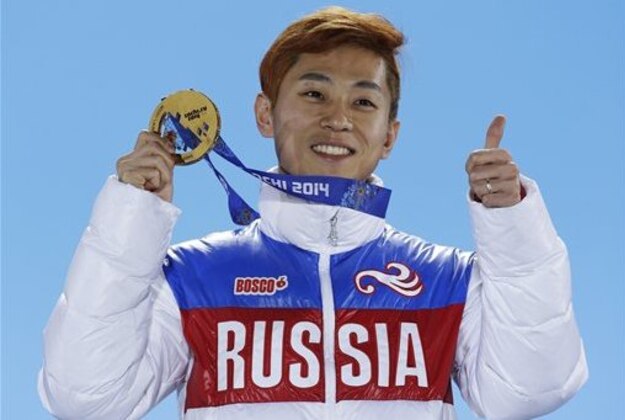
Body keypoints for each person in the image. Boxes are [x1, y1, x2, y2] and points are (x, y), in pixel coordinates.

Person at [38, 6, 587, 420]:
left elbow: (529, 388)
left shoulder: (446, 281)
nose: (339, 119)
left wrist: (512, 225)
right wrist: (131, 220)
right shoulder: (192, 280)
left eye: (364, 101)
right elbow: (87, 396)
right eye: (314, 94)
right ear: (264, 113)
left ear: (390, 135)